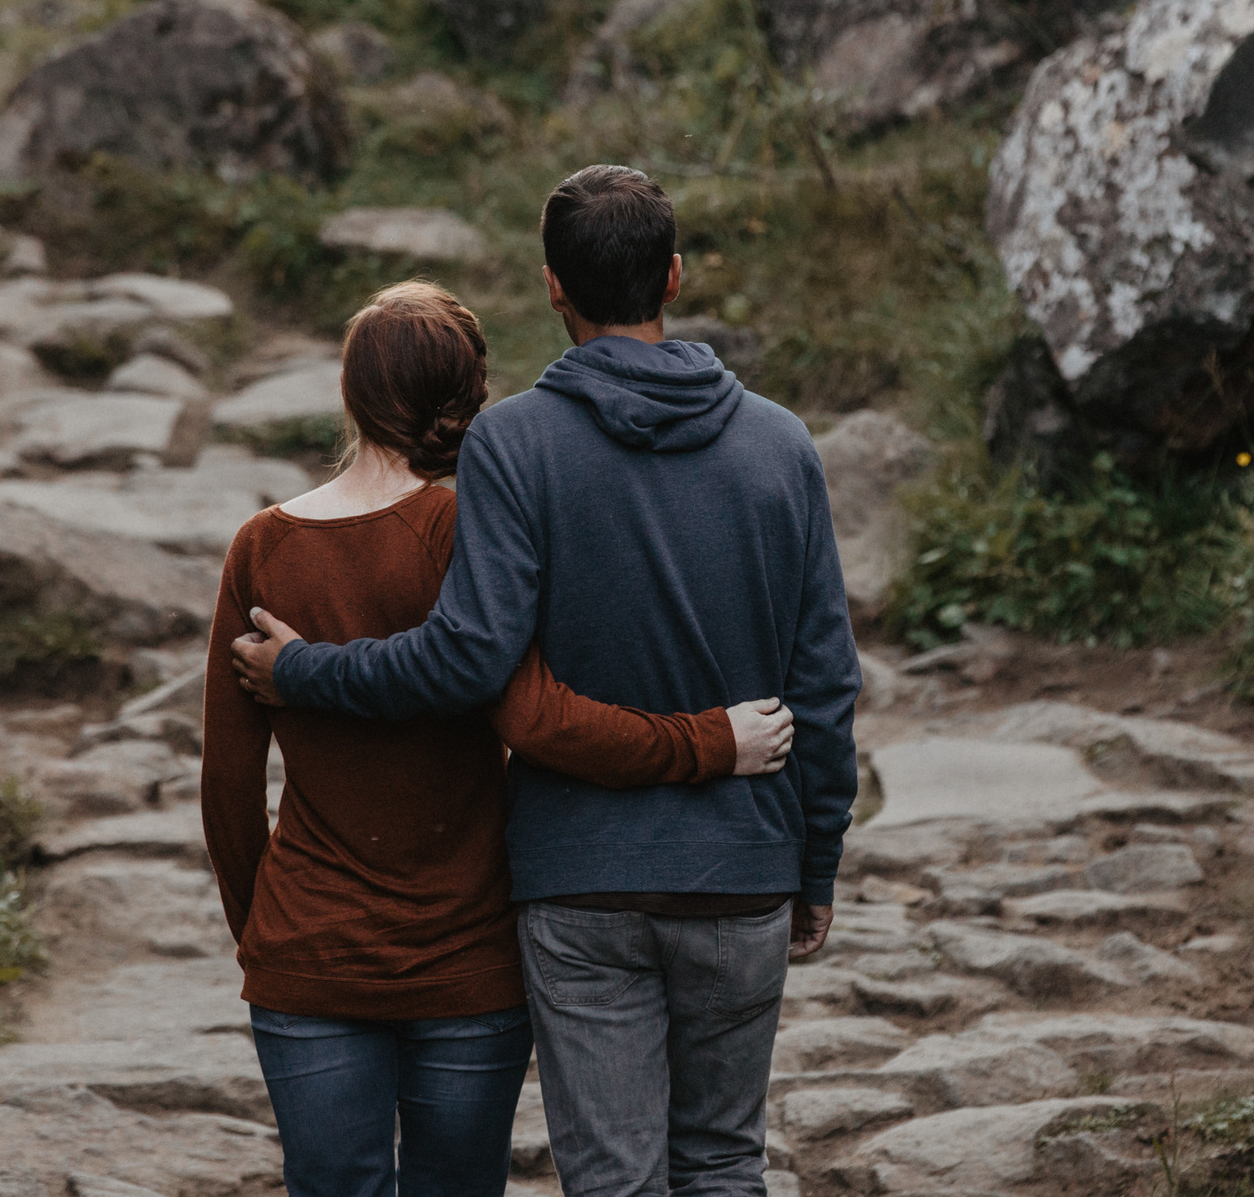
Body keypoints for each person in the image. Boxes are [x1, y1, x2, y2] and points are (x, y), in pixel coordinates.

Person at [233, 165, 862, 1197]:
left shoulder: (514, 445)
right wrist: (816, 858)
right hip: (742, 868)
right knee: (721, 1161)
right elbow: (825, 687)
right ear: (672, 275)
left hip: (576, 883)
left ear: (551, 288)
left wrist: (302, 668)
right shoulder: (782, 446)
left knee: (611, 1176)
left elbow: (472, 659)